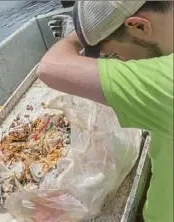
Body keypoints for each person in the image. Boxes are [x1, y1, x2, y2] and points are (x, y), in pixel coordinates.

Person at [37, 1, 173, 222]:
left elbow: (48, 67)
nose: (120, 61)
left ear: (139, 26)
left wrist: (75, 37)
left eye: (113, 54)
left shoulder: (167, 84)